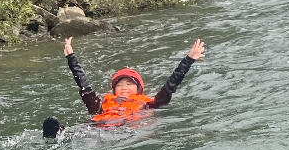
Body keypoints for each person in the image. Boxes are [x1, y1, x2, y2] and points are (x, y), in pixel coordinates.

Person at [43, 36, 205, 137]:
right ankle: (58, 134)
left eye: (129, 84)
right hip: (97, 127)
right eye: (120, 85)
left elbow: (170, 86)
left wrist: (188, 60)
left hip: (126, 130)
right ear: (114, 90)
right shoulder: (101, 106)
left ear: (139, 90)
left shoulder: (149, 104)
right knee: (83, 131)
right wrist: (71, 58)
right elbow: (84, 86)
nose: (124, 87)